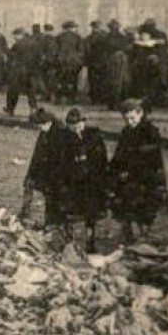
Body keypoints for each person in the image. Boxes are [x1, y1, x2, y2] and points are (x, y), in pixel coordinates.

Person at [108, 99, 168, 244]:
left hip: (146, 176)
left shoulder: (150, 132)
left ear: (140, 113)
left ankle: (144, 232)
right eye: (126, 119)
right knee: (122, 202)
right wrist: (114, 169)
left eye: (132, 118)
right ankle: (127, 231)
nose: (130, 122)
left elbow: (150, 157)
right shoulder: (126, 132)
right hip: (128, 175)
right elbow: (119, 153)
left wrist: (131, 168)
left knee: (143, 205)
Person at [49, 107, 111, 251]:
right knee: (70, 211)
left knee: (91, 213)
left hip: (90, 181)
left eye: (79, 125)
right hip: (73, 182)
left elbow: (101, 159)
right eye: (72, 126)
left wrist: (100, 178)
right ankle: (68, 240)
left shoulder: (94, 137)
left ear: (84, 122)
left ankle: (90, 239)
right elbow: (61, 161)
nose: (76, 129)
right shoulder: (63, 139)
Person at [20, 107, 62, 227]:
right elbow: (37, 155)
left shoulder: (59, 134)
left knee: (51, 197)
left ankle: (51, 221)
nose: (38, 129)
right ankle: (25, 214)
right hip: (43, 168)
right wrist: (30, 174)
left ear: (48, 122)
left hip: (54, 172)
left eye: (39, 126)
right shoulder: (45, 132)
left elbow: (58, 158)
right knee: (29, 184)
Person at [4, 28, 42, 116]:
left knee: (13, 90)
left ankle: (10, 109)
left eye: (15, 35)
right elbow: (38, 57)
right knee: (31, 91)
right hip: (32, 70)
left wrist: (7, 51)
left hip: (20, 71)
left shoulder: (18, 45)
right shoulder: (34, 43)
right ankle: (33, 108)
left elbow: (12, 57)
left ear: (20, 35)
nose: (14, 37)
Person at [56, 21, 86, 106]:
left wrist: (57, 59)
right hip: (74, 63)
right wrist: (79, 60)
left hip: (61, 62)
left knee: (60, 80)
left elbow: (54, 50)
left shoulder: (59, 37)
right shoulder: (78, 37)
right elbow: (81, 51)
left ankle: (58, 99)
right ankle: (71, 99)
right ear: (72, 28)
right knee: (73, 80)